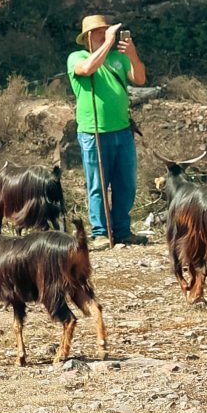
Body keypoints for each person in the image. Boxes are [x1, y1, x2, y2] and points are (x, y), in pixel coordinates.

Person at [66, 14, 146, 249]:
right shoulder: (76, 57)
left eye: (107, 31)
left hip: (122, 131)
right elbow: (88, 68)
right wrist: (108, 43)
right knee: (98, 184)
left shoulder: (117, 59)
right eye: (101, 32)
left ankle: (122, 230)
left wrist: (131, 54)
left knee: (126, 183)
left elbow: (140, 78)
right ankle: (101, 233)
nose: (105, 35)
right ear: (89, 36)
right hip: (94, 133)